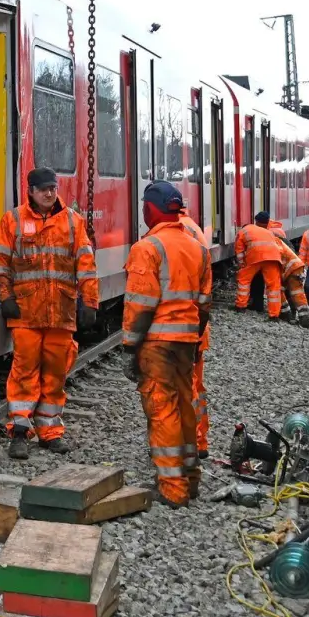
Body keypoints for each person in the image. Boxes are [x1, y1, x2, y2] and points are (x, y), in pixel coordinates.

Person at [0, 168, 98, 460]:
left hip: (60, 313)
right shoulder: (12, 220)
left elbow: (86, 265)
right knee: (24, 372)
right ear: (31, 191)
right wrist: (6, 297)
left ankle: (50, 432)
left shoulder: (73, 223)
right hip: (26, 312)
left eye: (52, 188)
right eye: (43, 189)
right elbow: (1, 263)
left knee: (56, 374)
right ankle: (19, 432)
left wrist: (90, 302)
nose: (49, 193)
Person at [123, 180, 212, 506]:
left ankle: (172, 489)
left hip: (156, 343)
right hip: (186, 341)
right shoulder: (197, 248)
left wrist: (131, 346)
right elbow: (204, 303)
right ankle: (190, 478)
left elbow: (140, 304)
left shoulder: (147, 248)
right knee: (185, 405)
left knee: (162, 410)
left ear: (150, 209)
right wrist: (193, 334)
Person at [177, 203, 213, 470]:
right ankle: (199, 443)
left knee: (176, 389)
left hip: (178, 329)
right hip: (197, 329)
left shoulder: (171, 234)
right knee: (195, 388)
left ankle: (182, 446)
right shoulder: (196, 231)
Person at [235, 212, 284, 321]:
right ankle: (274, 315)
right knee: (273, 286)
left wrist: (242, 263)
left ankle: (241, 306)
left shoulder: (243, 231)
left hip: (255, 257)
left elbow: (239, 250)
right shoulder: (269, 233)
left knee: (244, 280)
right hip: (273, 258)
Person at [276, 242, 309, 328]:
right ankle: (305, 319)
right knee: (298, 293)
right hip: (297, 267)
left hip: (289, 268)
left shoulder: (272, 242)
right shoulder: (278, 241)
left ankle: (285, 313)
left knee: (278, 289)